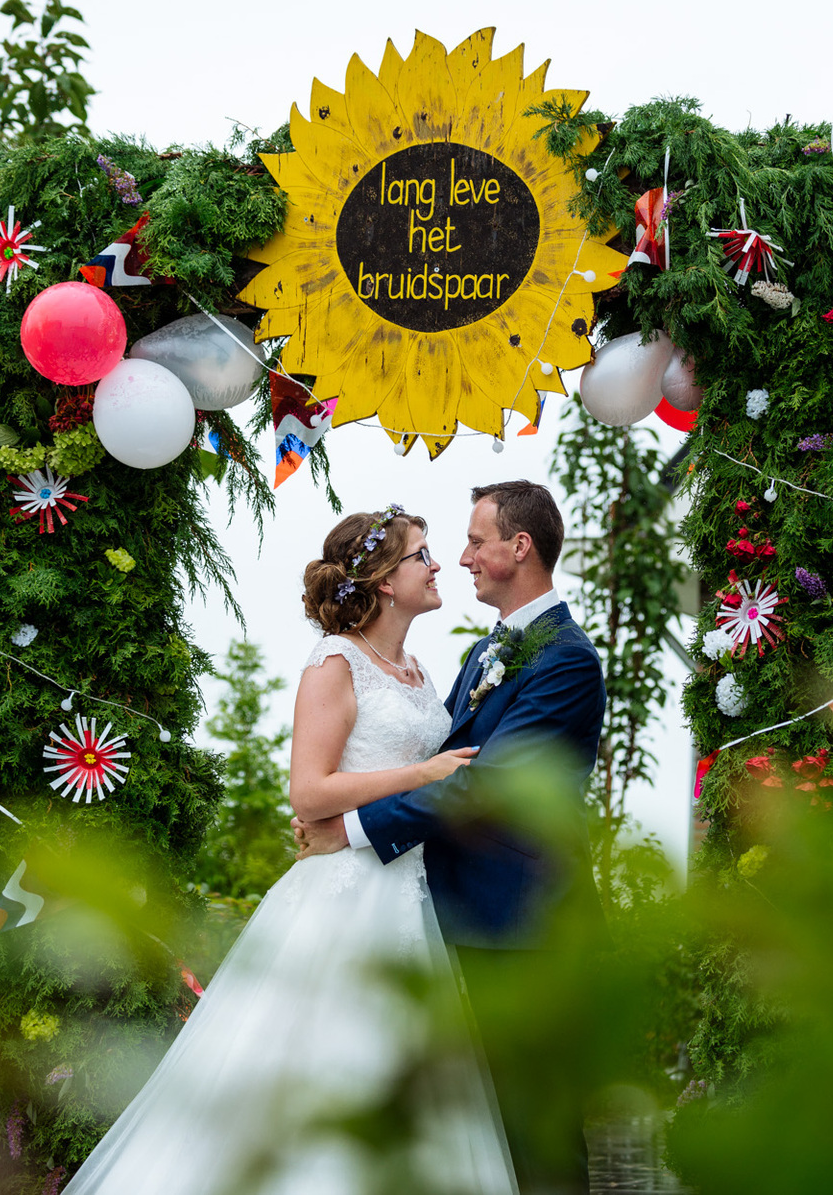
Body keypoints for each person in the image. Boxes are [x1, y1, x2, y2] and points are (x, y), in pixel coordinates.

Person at [63, 507, 519, 1194]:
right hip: (341, 899)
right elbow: (309, 791)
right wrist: (424, 773)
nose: (437, 566)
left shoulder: (421, 672)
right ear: (386, 581)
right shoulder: (334, 661)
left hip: (410, 893)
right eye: (422, 555)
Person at [297, 480, 607, 1194]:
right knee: (480, 1130)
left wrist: (348, 830)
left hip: (523, 929)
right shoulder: (483, 652)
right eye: (444, 549)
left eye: (473, 541)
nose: (460, 559)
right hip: (456, 920)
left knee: (538, 1137)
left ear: (518, 547)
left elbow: (482, 785)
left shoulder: (565, 659)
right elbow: (420, 766)